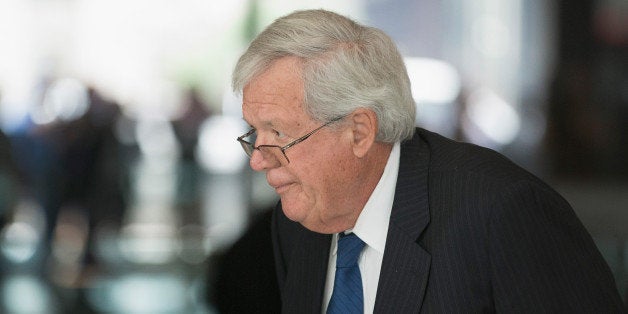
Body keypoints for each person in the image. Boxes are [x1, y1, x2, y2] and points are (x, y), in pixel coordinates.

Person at [232, 9, 626, 313]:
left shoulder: (501, 212)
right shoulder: (299, 223)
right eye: (255, 133)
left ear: (359, 132)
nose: (259, 161)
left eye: (279, 134)